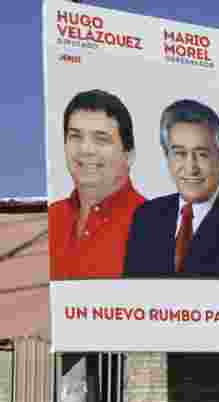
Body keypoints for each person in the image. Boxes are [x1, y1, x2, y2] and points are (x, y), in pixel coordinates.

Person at [123, 99, 219, 277]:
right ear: (167, 158)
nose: (191, 167)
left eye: (202, 154)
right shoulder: (145, 217)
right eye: (180, 154)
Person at [49, 89, 146, 279]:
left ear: (129, 155)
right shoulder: (51, 218)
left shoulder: (155, 228)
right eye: (75, 136)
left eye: (101, 139)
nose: (85, 149)